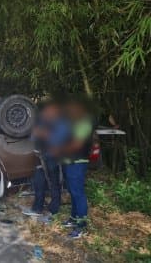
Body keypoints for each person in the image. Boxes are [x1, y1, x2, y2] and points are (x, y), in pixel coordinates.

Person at [22, 102, 68, 219]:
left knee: (45, 182)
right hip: (49, 156)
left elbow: (34, 137)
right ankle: (50, 208)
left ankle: (43, 208)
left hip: (48, 156)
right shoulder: (60, 121)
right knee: (51, 183)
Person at [61, 99, 94, 239]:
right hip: (70, 161)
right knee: (72, 191)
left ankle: (81, 226)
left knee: (78, 192)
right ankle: (74, 218)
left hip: (77, 162)